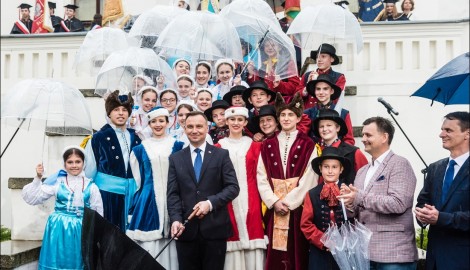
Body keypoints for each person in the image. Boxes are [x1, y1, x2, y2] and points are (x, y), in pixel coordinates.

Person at [338, 116, 418, 269]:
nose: (363, 139)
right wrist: (349, 203)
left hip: (393, 255)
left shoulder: (400, 164)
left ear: (384, 137)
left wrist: (359, 197)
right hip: (365, 254)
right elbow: (358, 209)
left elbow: (398, 204)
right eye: (363, 135)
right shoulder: (362, 171)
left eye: (368, 135)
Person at [167, 111, 240, 270]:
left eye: (199, 126)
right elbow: (173, 194)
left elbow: (233, 187)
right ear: (184, 129)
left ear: (207, 128)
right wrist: (175, 220)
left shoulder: (221, 155)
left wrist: (210, 203)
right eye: (190, 127)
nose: (194, 130)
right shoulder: (175, 158)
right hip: (186, 231)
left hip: (215, 230)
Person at [257, 92, 319, 270]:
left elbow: (310, 176)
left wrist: (290, 202)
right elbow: (261, 175)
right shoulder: (267, 144)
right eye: (282, 114)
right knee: (275, 254)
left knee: (296, 251)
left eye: (290, 114)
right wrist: (273, 201)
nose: (286, 118)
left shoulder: (309, 144)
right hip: (274, 208)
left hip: (297, 207)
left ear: (298, 117)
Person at [23, 146, 103, 270]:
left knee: (77, 261)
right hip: (58, 227)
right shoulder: (57, 183)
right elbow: (33, 197)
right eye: (70, 162)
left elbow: (98, 212)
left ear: (84, 163)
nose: (74, 165)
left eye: (78, 161)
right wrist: (38, 177)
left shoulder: (91, 186)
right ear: (64, 164)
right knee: (56, 260)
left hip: (81, 229)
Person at [128, 107, 184, 269]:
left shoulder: (179, 146)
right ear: (149, 124)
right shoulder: (139, 150)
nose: (158, 124)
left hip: (174, 200)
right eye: (153, 121)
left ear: (168, 122)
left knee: (173, 244)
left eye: (161, 121)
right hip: (147, 204)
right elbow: (139, 180)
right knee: (150, 247)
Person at [415, 111, 469, 270]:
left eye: (448, 130)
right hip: (434, 258)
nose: (441, 134)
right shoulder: (435, 168)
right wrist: (423, 215)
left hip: (463, 259)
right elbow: (423, 201)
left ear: (467, 134)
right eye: (442, 129)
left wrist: (441, 218)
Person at [215, 106, 267, 270]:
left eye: (240, 119)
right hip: (227, 203)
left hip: (252, 200)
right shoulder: (218, 147)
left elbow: (262, 176)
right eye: (232, 119)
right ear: (226, 121)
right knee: (232, 242)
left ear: (245, 122)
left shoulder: (256, 147)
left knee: (254, 240)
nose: (236, 123)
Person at [85, 90, 142, 231]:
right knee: (108, 235)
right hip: (106, 194)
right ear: (109, 113)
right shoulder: (98, 137)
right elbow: (89, 170)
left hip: (132, 194)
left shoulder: (136, 137)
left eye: (124, 110)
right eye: (116, 110)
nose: (121, 113)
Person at [301, 147, 352, 270]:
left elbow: (356, 219)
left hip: (345, 250)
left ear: (341, 169)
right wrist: (325, 241)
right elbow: (306, 225)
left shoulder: (349, 191)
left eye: (334, 167)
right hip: (319, 252)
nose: (330, 171)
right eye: (326, 167)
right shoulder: (312, 194)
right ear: (320, 168)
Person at [312, 109, 368, 184]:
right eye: (321, 126)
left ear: (338, 128)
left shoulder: (354, 153)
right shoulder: (315, 152)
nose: (325, 129)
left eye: (329, 125)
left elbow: (366, 180)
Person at [304, 74, 355, 145]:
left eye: (325, 89)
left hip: (336, 154)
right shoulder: (307, 114)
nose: (321, 92)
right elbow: (303, 138)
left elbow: (349, 140)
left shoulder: (343, 113)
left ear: (331, 91)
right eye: (318, 89)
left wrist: (338, 151)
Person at [296, 43, 346, 109]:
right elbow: (296, 96)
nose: (319, 60)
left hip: (326, 114)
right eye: (317, 57)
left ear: (332, 59)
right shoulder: (307, 75)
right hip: (307, 115)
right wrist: (307, 87)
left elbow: (335, 98)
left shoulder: (339, 77)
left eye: (323, 56)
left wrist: (318, 80)